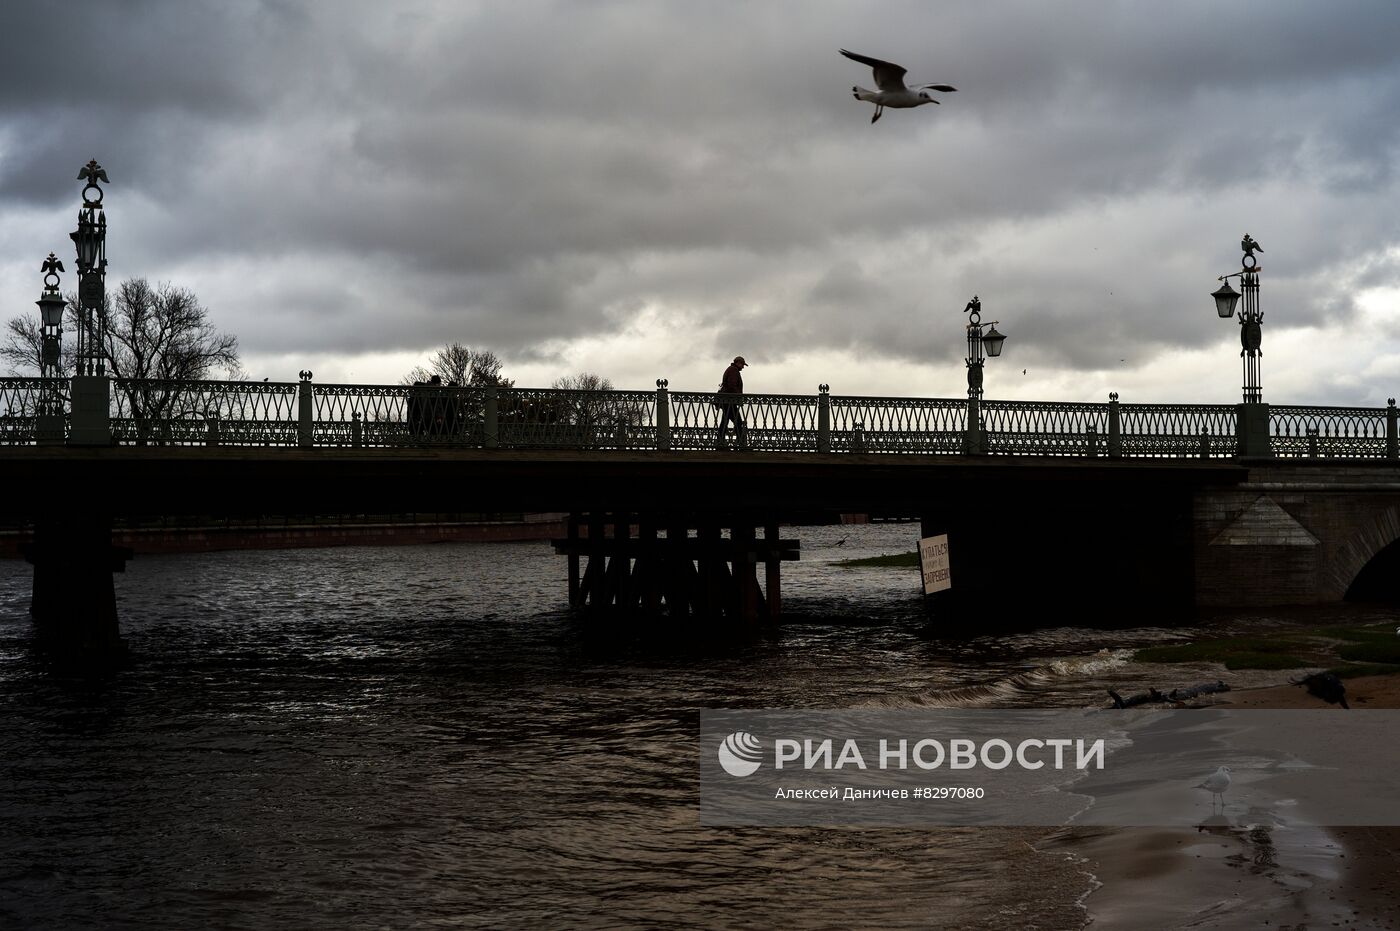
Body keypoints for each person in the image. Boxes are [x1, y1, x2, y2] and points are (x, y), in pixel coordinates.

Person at [716, 355, 748, 450]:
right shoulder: (734, 371)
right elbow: (732, 386)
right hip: (729, 401)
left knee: (724, 422)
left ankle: (720, 443)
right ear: (738, 363)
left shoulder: (731, 369)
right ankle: (741, 444)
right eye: (742, 365)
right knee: (738, 422)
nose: (743, 367)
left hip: (727, 400)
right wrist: (739, 397)